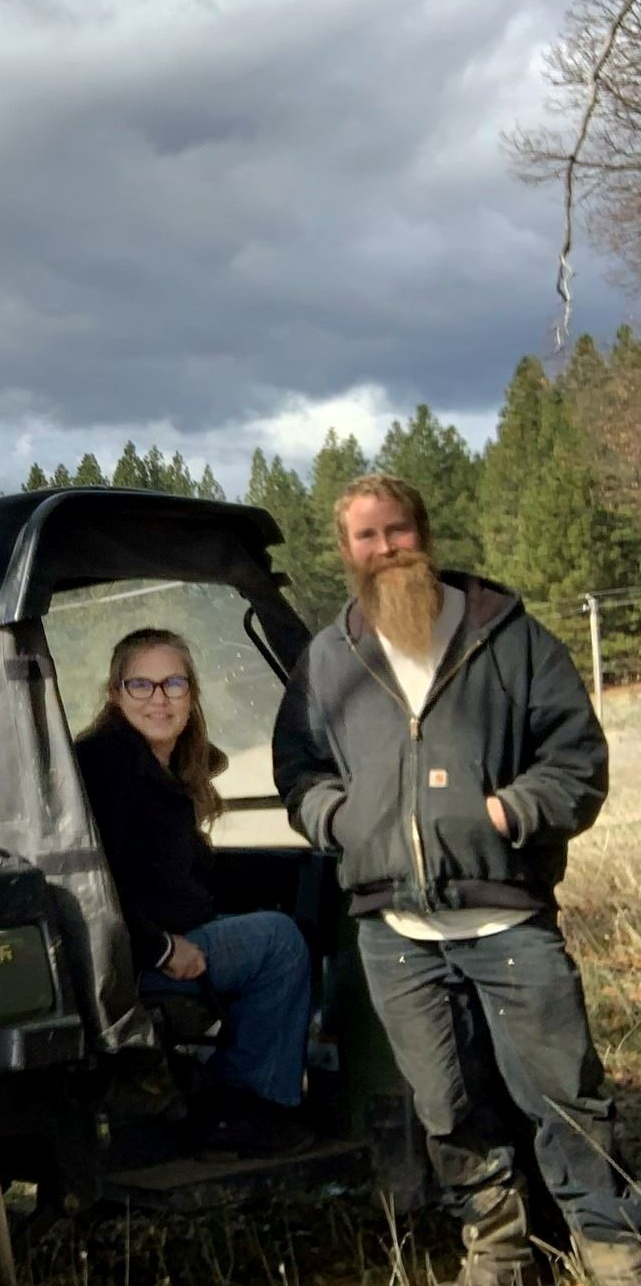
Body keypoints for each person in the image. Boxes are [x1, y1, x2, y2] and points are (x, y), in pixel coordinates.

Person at [273, 473, 641, 1286]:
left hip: (507, 921)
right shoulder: (329, 659)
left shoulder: (506, 637)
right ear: (346, 552)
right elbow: (299, 772)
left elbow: (576, 759)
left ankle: (610, 1247)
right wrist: (344, 822)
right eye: (367, 537)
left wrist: (506, 815)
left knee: (564, 1100)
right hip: (395, 935)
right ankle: (498, 1246)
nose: (386, 549)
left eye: (398, 530)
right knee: (444, 1108)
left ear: (424, 533)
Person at [73, 627, 314, 1158]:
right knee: (279, 943)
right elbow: (90, 886)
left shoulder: (157, 765)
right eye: (142, 685)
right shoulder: (107, 765)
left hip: (158, 935)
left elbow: (182, 871)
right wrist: (159, 947)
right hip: (131, 957)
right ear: (115, 695)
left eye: (173, 684)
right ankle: (244, 1108)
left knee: (284, 903)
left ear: (191, 695)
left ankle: (215, 1090)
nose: (159, 699)